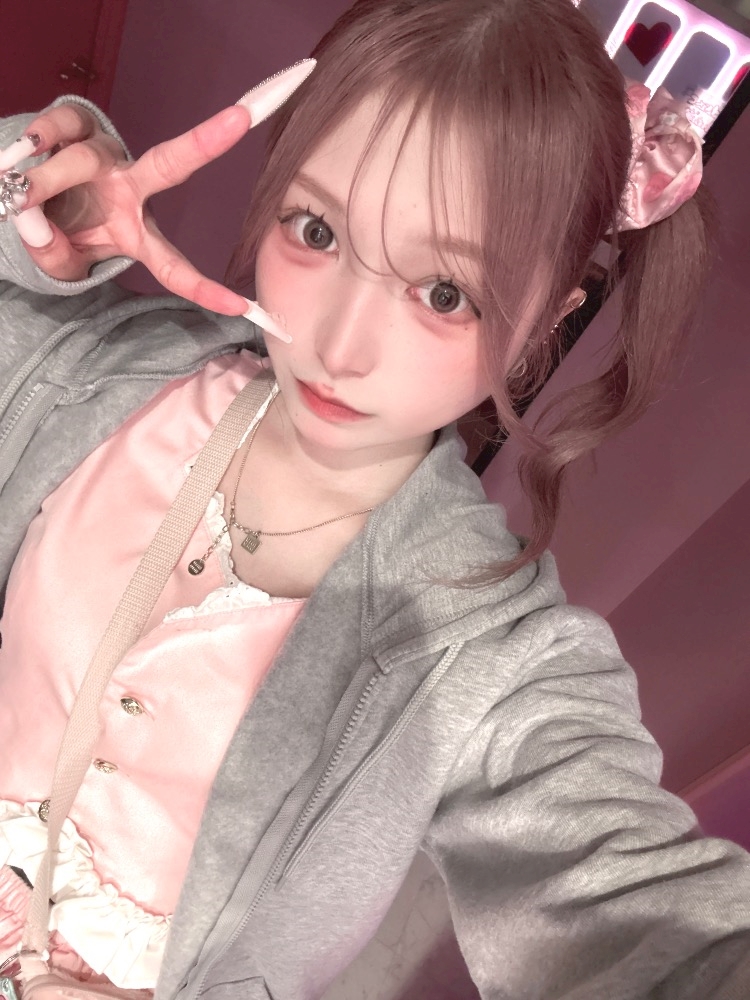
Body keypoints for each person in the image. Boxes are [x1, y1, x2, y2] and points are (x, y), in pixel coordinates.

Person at [0, 0, 749, 998]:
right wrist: (24, 204)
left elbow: (637, 914)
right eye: (316, 230)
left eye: (446, 294)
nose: (340, 346)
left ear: (545, 323)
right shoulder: (96, 371)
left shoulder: (485, 650)